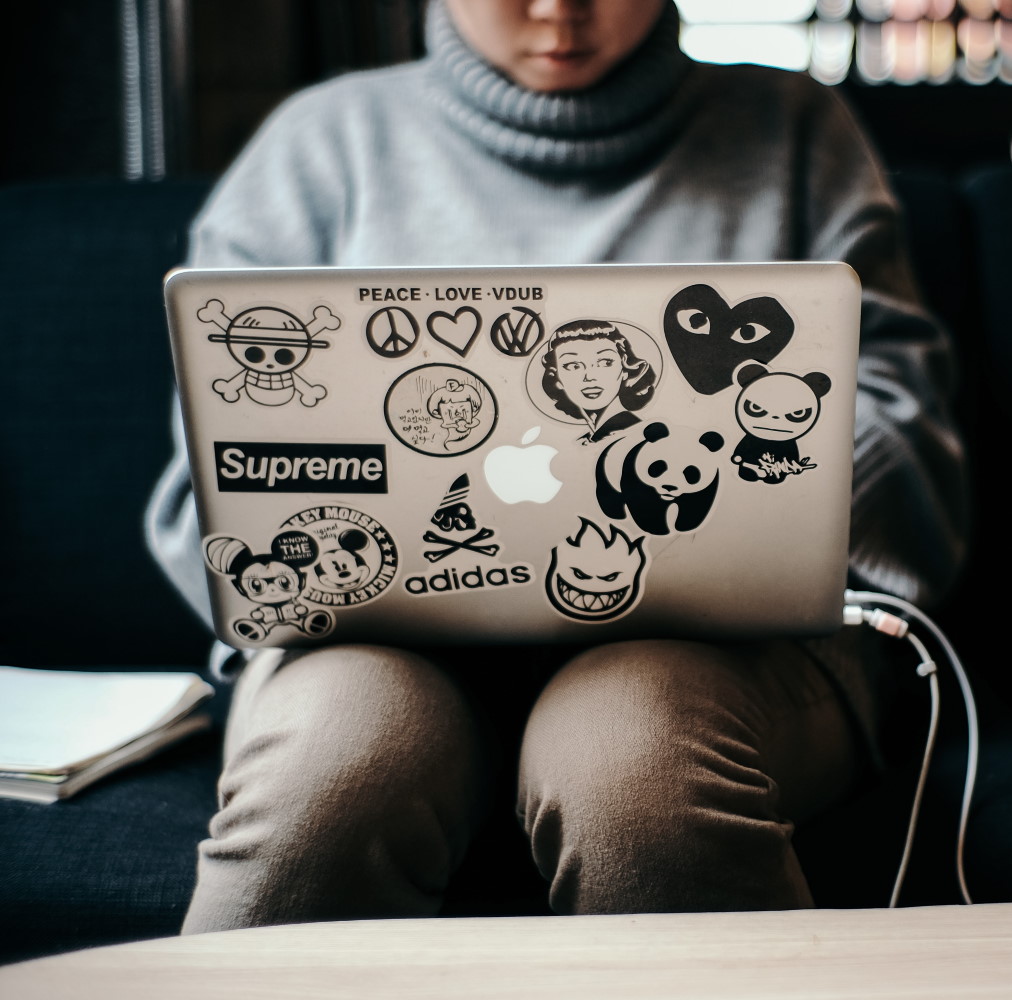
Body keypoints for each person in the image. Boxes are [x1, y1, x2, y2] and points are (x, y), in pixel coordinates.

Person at [146, 0, 967, 931]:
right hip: (371, 644)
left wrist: (785, 465)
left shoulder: (793, 128)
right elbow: (220, 479)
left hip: (728, 648)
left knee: (631, 761)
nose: (558, 10)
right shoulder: (318, 144)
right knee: (335, 765)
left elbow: (902, 428)